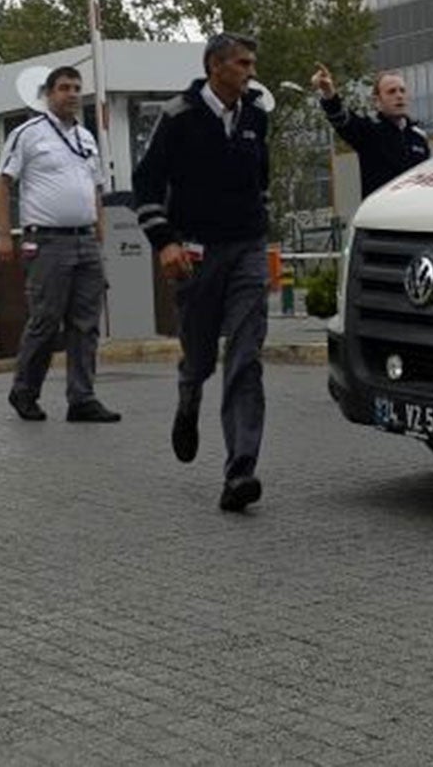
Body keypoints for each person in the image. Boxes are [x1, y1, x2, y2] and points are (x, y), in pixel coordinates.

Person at [134, 32, 272, 513]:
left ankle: (241, 470)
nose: (251, 71)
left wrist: (261, 224)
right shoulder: (178, 116)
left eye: (252, 63)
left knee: (246, 355)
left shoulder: (257, 114)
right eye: (242, 63)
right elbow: (145, 184)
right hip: (195, 253)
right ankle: (188, 399)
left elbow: (263, 181)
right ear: (215, 66)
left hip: (248, 249)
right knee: (199, 357)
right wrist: (165, 241)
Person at [0, 65, 121, 424]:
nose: (73, 94)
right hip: (47, 241)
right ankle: (25, 391)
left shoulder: (86, 137)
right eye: (64, 87)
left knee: (86, 323)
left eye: (77, 88)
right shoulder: (28, 134)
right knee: (46, 321)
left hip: (85, 241)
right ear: (49, 94)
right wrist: (4, 234)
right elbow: (1, 183)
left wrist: (100, 232)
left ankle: (82, 397)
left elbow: (95, 189)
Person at [311, 64, 432, 198]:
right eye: (391, 91)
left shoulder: (419, 137)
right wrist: (329, 93)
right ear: (377, 101)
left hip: (415, 214)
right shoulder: (368, 131)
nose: (399, 96)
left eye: (402, 90)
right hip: (381, 215)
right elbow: (342, 119)